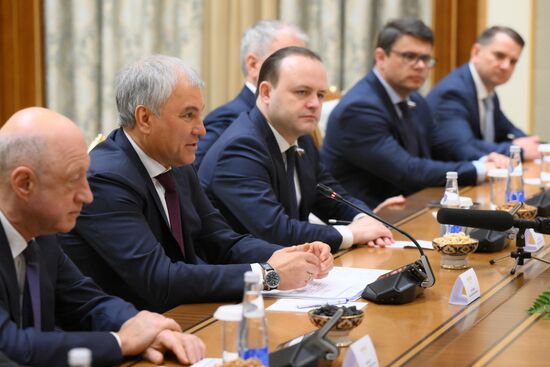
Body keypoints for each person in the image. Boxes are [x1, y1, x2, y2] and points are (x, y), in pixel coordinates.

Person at [59, 55, 333, 314]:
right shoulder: (107, 179)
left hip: (181, 313)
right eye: (188, 115)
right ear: (144, 118)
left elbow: (221, 241)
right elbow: (159, 279)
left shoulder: (177, 163)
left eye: (200, 115)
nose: (201, 129)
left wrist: (291, 255)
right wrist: (268, 274)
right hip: (131, 327)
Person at [0, 108, 205, 367]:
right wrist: (121, 342)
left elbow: (87, 302)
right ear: (24, 184)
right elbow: (8, 346)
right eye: (74, 180)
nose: (87, 196)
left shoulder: (41, 234)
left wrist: (149, 329)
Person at [199, 47, 394, 253]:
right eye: (302, 92)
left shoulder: (302, 140)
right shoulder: (240, 148)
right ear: (266, 93)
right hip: (245, 276)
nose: (314, 104)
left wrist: (366, 220)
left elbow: (335, 198)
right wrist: (352, 234)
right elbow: (275, 231)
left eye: (320, 95)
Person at [321, 18, 508, 209]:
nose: (420, 66)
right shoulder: (359, 108)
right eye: (409, 56)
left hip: (410, 207)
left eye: (426, 59)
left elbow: (444, 146)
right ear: (380, 57)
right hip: (371, 216)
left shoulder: (414, 99)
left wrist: (484, 159)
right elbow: (408, 171)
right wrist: (478, 169)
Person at [195, 20, 308, 167]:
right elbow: (195, 178)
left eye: (304, 61)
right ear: (253, 65)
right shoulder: (228, 119)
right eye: (290, 61)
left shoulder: (297, 120)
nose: (304, 70)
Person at [427, 26, 539, 161]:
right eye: (499, 56)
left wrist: (535, 144)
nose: (506, 66)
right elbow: (464, 146)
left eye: (513, 61)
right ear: (476, 52)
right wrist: (517, 150)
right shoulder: (452, 92)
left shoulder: (488, 92)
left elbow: (509, 131)